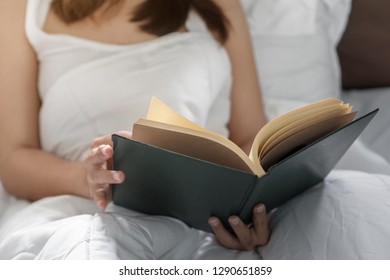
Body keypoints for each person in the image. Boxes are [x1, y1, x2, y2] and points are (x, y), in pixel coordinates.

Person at [0, 0, 270, 256]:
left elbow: (251, 139)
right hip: (76, 210)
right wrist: (88, 179)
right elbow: (14, 160)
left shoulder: (220, 6)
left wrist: (243, 209)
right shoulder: (22, 8)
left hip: (196, 221)